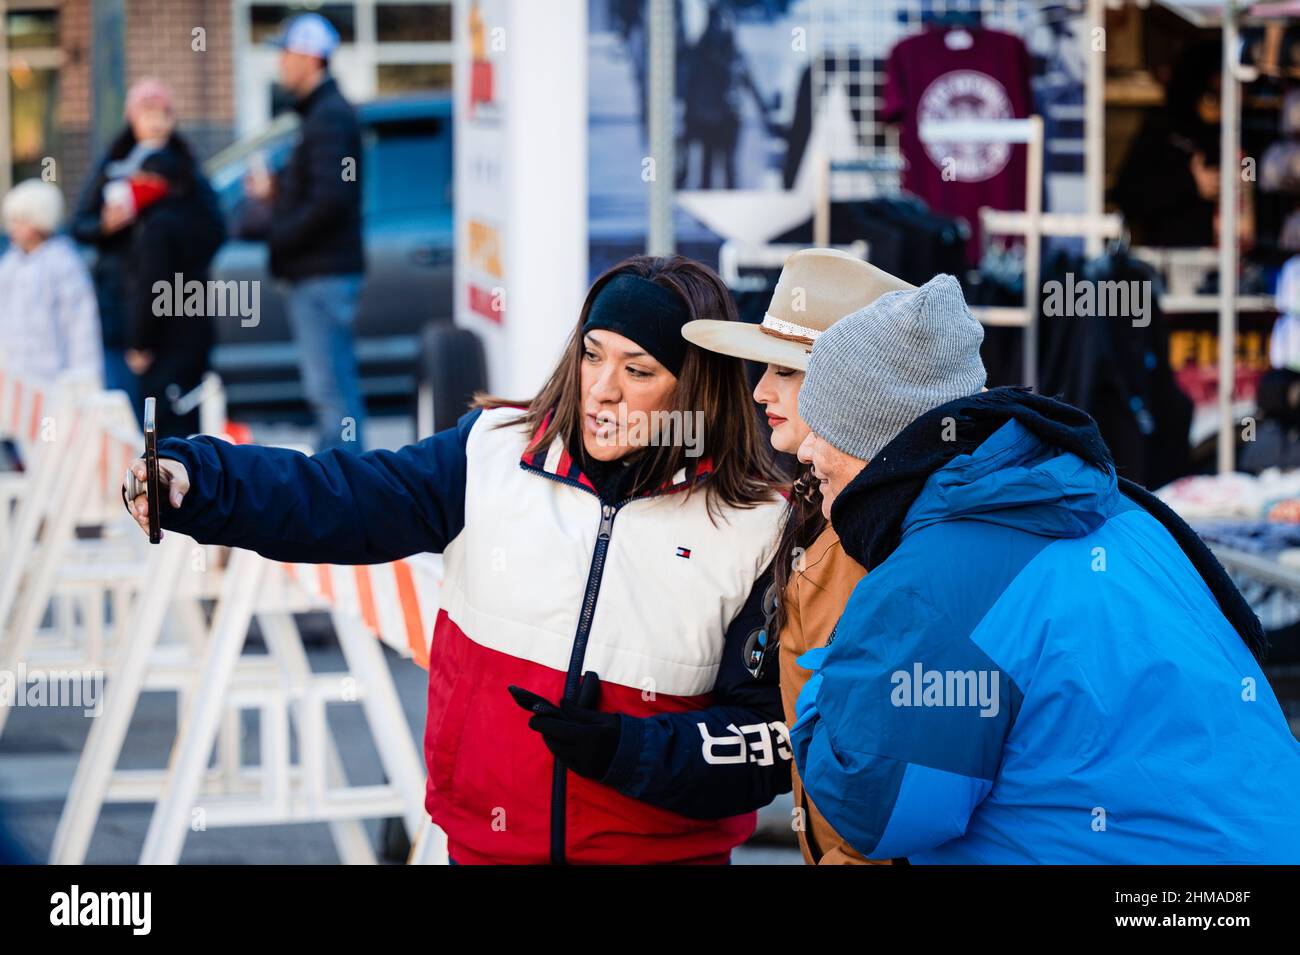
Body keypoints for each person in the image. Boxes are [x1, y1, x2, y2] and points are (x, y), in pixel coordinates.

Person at [125, 255, 792, 865]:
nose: (602, 390)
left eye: (638, 370)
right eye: (592, 356)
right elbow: (341, 499)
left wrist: (629, 751)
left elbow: (766, 740)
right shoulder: (489, 454)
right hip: (482, 851)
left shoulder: (757, 522)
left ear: (694, 387)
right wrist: (199, 479)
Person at [789, 273, 1300, 863]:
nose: (804, 450)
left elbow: (880, 809)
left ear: (871, 437)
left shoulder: (936, 582)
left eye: (821, 426)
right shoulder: (1118, 506)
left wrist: (827, 679)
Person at [682, 247, 910, 864]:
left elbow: (884, 770)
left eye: (787, 372)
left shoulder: (874, 537)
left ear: (851, 389)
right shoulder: (827, 506)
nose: (759, 392)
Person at [240, 13, 367, 452]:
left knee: (331, 394)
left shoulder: (328, 117)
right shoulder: (322, 115)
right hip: (318, 272)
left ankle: (346, 499)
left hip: (322, 275)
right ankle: (345, 492)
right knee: (331, 391)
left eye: (287, 54)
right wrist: (278, 192)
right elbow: (323, 191)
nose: (280, 64)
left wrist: (277, 233)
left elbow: (332, 202)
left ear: (310, 58)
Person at [71, 77, 191, 406]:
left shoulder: (186, 168)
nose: (154, 121)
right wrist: (105, 225)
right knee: (121, 403)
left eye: (162, 111)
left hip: (169, 306)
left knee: (163, 415)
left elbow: (209, 231)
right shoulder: (111, 165)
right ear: (131, 117)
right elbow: (80, 224)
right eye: (146, 111)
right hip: (117, 301)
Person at [0, 179, 103, 383]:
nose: (13, 229)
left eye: (20, 221)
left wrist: (84, 378)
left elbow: (81, 326)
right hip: (12, 374)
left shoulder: (63, 264)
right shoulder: (10, 264)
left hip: (51, 374)